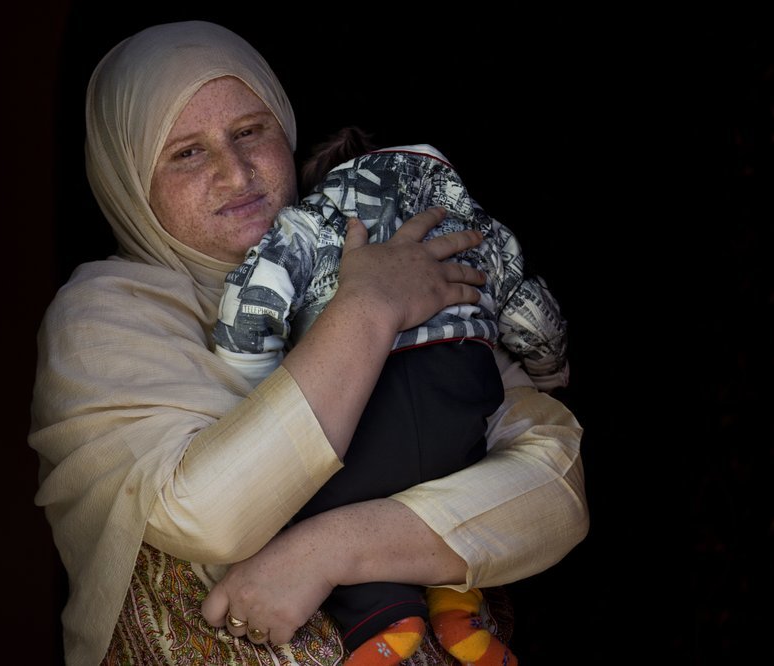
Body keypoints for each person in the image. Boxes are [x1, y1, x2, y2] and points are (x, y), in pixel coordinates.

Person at [29, 19, 589, 666]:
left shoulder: (383, 250)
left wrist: (331, 548)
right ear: (127, 180)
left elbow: (554, 487)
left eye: (249, 132)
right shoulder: (110, 315)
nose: (236, 174)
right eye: (187, 152)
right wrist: (367, 310)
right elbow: (204, 513)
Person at [213, 129, 569, 665]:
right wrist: (550, 372)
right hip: (461, 393)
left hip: (369, 397)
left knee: (326, 496)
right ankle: (458, 608)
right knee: (461, 492)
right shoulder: (472, 221)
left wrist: (257, 380)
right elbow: (527, 308)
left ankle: (385, 617)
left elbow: (257, 291)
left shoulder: (314, 217)